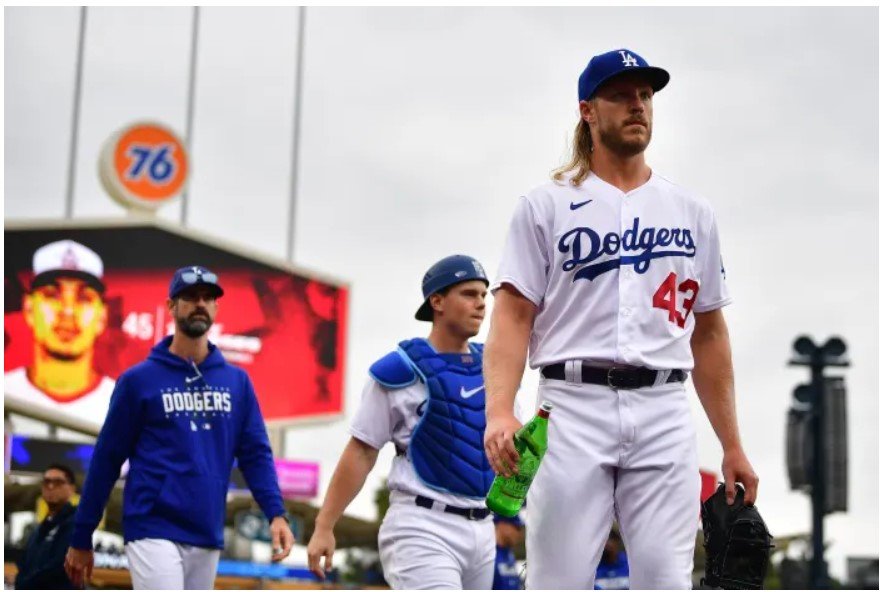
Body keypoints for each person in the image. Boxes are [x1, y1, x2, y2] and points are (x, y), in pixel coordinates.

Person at [483, 48, 759, 589]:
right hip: (569, 405)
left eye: (646, 95)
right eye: (621, 94)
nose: (638, 105)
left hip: (663, 406)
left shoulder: (692, 212)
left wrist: (731, 443)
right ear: (588, 110)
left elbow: (708, 332)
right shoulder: (545, 205)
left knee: (667, 580)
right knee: (557, 579)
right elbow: (512, 317)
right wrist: (499, 411)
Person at [64, 266, 295, 590]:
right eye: (189, 297)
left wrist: (276, 513)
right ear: (171, 306)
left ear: (216, 308)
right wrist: (82, 532)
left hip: (205, 528)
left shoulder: (237, 383)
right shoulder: (138, 381)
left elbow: (256, 454)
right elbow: (107, 458)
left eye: (208, 298)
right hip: (151, 524)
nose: (200, 303)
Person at [307, 255, 497, 589]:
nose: (480, 303)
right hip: (423, 525)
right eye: (469, 294)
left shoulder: (495, 366)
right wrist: (325, 525)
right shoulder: (399, 370)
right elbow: (362, 451)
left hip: (483, 526)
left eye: (484, 295)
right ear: (436, 301)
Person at [5, 240, 115, 421]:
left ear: (102, 317)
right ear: (29, 308)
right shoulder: (6, 390)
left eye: (84, 298)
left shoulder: (123, 407)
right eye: (52, 295)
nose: (68, 311)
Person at [15, 464, 79, 589]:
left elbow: (59, 566)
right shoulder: (37, 529)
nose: (50, 486)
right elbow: (24, 563)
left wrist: (26, 585)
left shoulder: (76, 524)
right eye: (46, 482)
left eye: (58, 482)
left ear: (72, 489)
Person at [492, 514, 524, 590]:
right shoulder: (488, 554)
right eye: (516, 528)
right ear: (503, 525)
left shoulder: (509, 554)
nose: (519, 534)